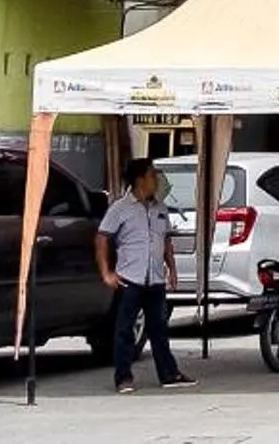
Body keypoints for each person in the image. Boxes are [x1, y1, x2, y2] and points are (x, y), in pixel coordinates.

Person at [96, 159, 193, 393]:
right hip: (130, 279)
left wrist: (172, 268)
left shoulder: (160, 208)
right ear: (140, 179)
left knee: (159, 328)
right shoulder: (120, 208)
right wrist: (106, 272)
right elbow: (101, 238)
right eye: (152, 175)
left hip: (155, 279)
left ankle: (169, 374)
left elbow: (166, 240)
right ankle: (123, 377)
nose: (157, 180)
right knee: (125, 330)